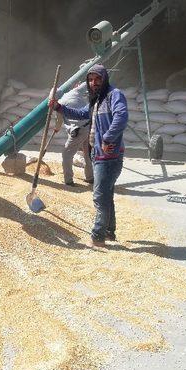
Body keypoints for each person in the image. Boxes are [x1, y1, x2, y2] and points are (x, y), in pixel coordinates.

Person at [49, 64, 128, 247]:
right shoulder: (96, 100)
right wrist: (59, 107)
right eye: (91, 80)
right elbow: (81, 113)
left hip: (109, 155)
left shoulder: (114, 95)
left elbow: (121, 117)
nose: (94, 83)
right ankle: (109, 232)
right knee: (106, 194)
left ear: (104, 79)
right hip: (98, 154)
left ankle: (98, 236)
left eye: (98, 79)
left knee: (99, 196)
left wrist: (108, 139)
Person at [58, 82, 93, 186]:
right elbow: (88, 82)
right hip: (88, 126)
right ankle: (90, 177)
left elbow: (58, 124)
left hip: (78, 131)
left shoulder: (59, 103)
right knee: (87, 153)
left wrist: (56, 129)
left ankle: (68, 181)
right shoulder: (75, 91)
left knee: (66, 154)